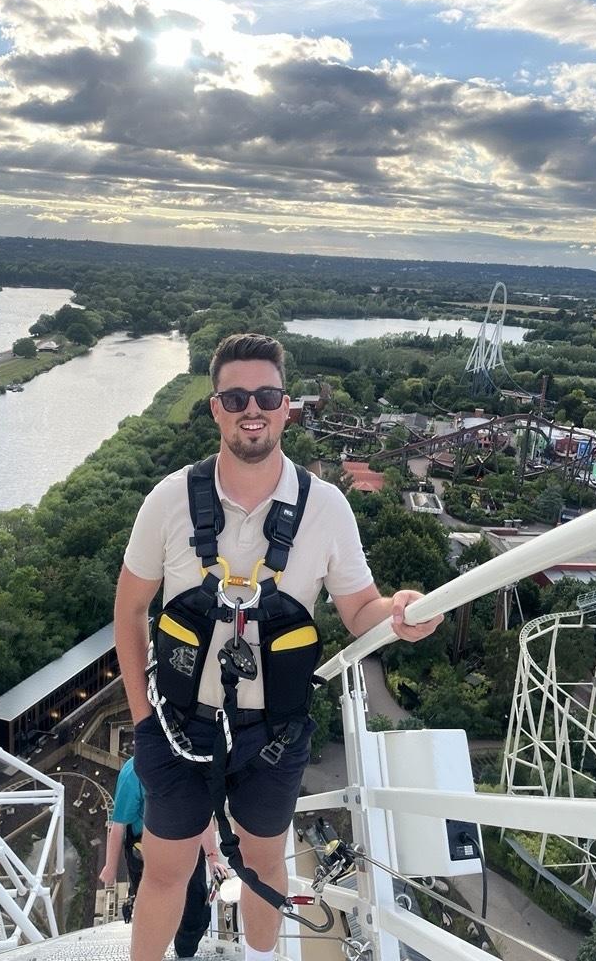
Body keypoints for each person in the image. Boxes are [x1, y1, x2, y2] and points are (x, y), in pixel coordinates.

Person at [115, 332, 444, 961]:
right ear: (215, 408)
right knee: (165, 867)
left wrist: (397, 611)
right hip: (179, 722)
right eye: (235, 397)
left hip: (275, 733)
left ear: (286, 404)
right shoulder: (168, 501)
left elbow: (358, 610)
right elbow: (129, 609)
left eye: (265, 394)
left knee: (265, 865)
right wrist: (140, 718)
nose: (251, 409)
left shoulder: (326, 509)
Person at [98, 756, 227, 956]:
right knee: (152, 912)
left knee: (194, 912)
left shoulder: (192, 763)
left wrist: (212, 858)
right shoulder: (134, 772)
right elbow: (119, 825)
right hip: (147, 848)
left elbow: (201, 817)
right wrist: (110, 867)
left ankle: (185, 951)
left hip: (185, 841)